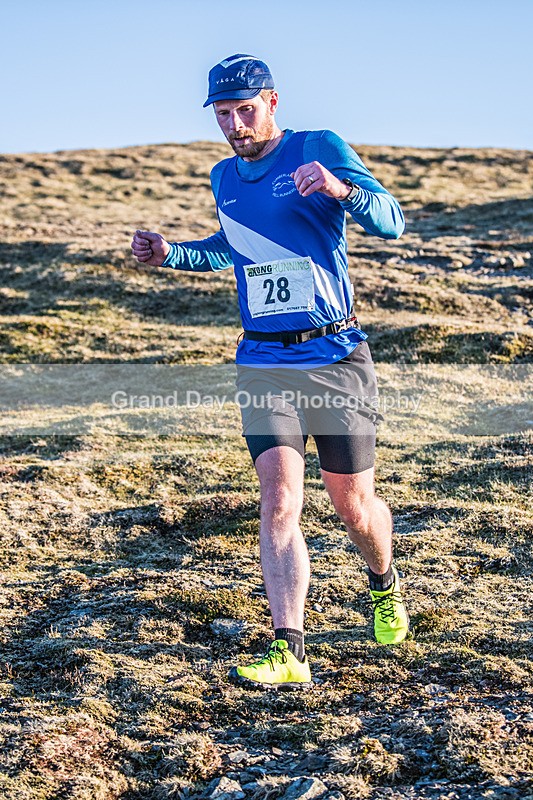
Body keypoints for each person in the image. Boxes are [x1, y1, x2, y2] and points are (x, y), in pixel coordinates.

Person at [131, 54, 409, 690]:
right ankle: (290, 647)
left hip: (336, 356)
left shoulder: (318, 147)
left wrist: (344, 190)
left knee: (353, 505)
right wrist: (171, 252)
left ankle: (383, 581)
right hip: (263, 360)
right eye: (223, 114)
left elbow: (391, 222)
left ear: (273, 103)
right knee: (280, 497)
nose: (234, 124)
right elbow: (234, 247)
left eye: (244, 110)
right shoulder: (224, 176)